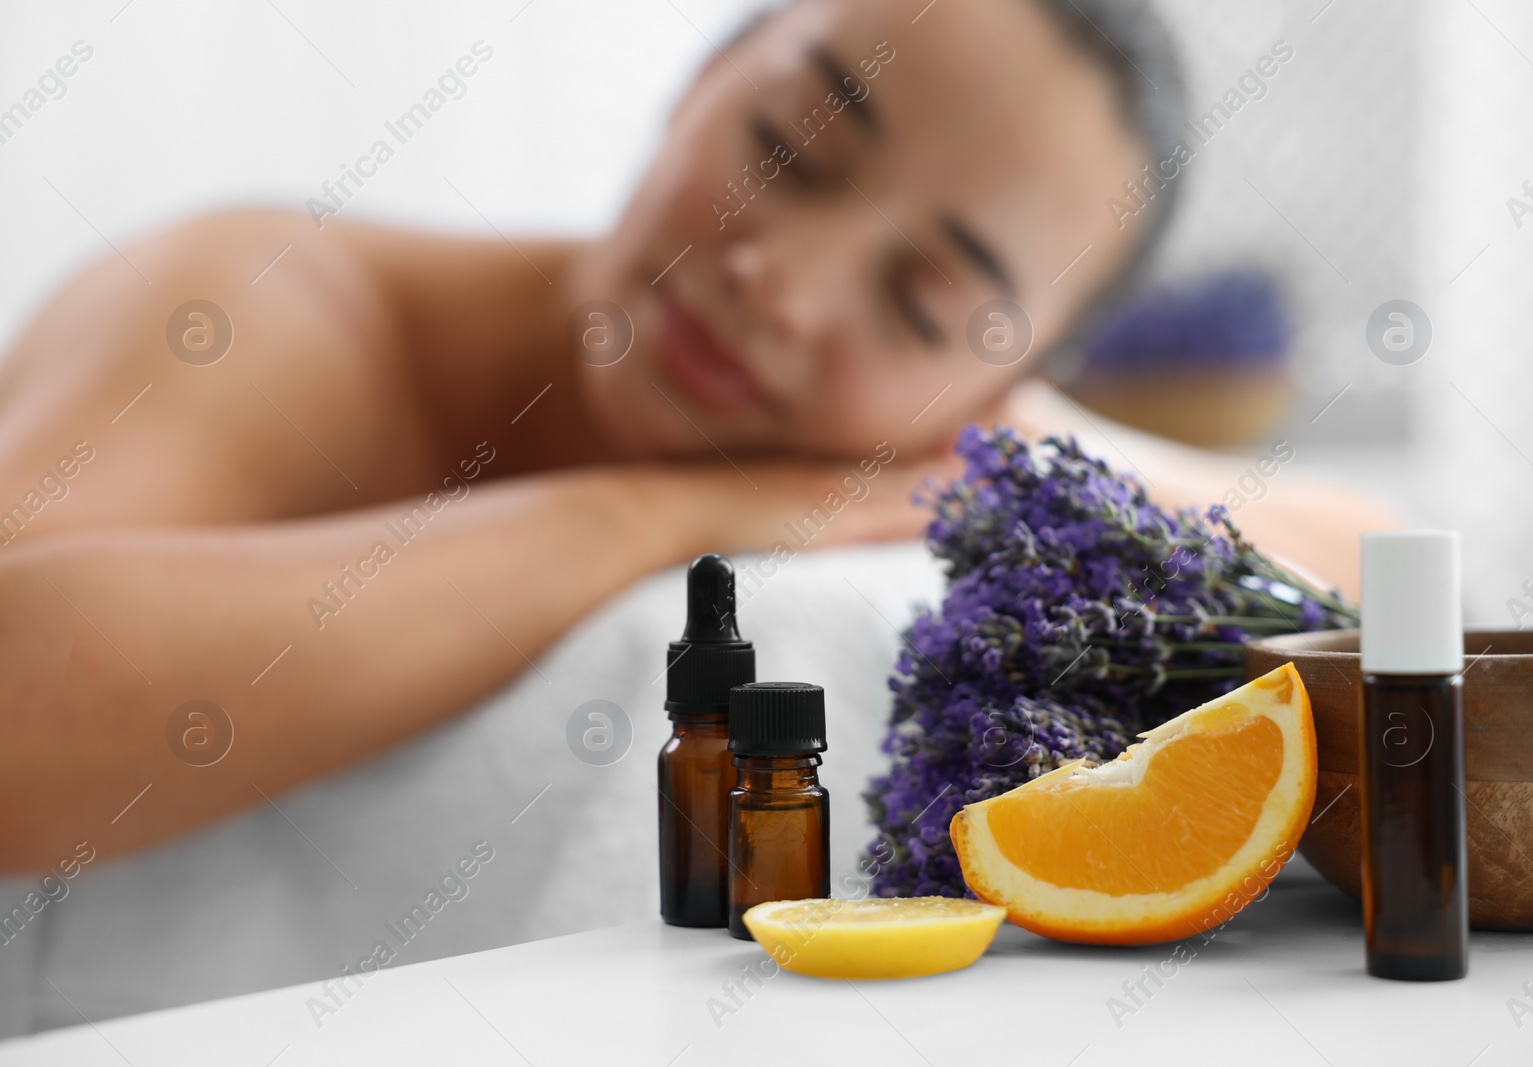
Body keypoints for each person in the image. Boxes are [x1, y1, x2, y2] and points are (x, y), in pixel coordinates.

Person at [0, 0, 1388, 871]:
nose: (777, 282)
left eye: (920, 303)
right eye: (787, 148)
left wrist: (1027, 459)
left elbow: (1381, 559)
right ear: (700, 75)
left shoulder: (960, 431)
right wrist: (640, 515)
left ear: (989, 393)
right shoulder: (261, 307)